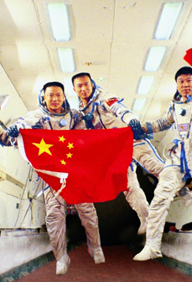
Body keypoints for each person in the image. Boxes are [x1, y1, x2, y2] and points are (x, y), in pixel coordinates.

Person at [0, 81, 105, 276]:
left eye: (58, 95)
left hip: (75, 173)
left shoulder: (74, 116)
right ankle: (61, 257)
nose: (55, 99)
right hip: (52, 176)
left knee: (88, 213)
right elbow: (22, 124)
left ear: (64, 96)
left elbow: (90, 133)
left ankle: (95, 247)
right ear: (44, 97)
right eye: (50, 95)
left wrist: (91, 122)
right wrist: (15, 128)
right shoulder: (37, 117)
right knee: (54, 218)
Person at [132, 52, 192, 279]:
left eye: (189, 80)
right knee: (160, 197)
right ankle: (152, 245)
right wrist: (142, 129)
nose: (185, 84)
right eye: (181, 81)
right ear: (176, 84)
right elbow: (163, 123)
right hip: (178, 156)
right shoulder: (175, 105)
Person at [71, 72, 165, 234]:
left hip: (129, 138)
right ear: (74, 89)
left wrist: (131, 120)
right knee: (128, 186)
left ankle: (182, 186)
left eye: (86, 84)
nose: (84, 88)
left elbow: (119, 108)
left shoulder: (103, 98)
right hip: (114, 151)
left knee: (151, 164)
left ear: (92, 84)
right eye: (79, 86)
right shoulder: (81, 112)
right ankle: (147, 220)